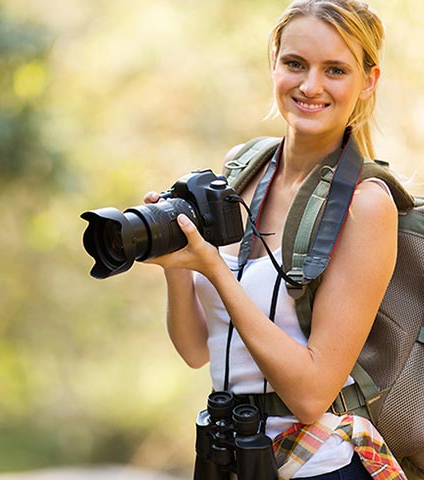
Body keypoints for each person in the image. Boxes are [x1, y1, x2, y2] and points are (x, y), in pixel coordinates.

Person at [144, 1, 404, 478]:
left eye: (336, 70)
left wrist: (215, 269)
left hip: (320, 465)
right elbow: (196, 349)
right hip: (234, 454)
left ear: (368, 81)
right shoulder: (241, 173)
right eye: (295, 64)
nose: (310, 86)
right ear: (274, 63)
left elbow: (310, 395)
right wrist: (176, 264)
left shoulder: (365, 205)